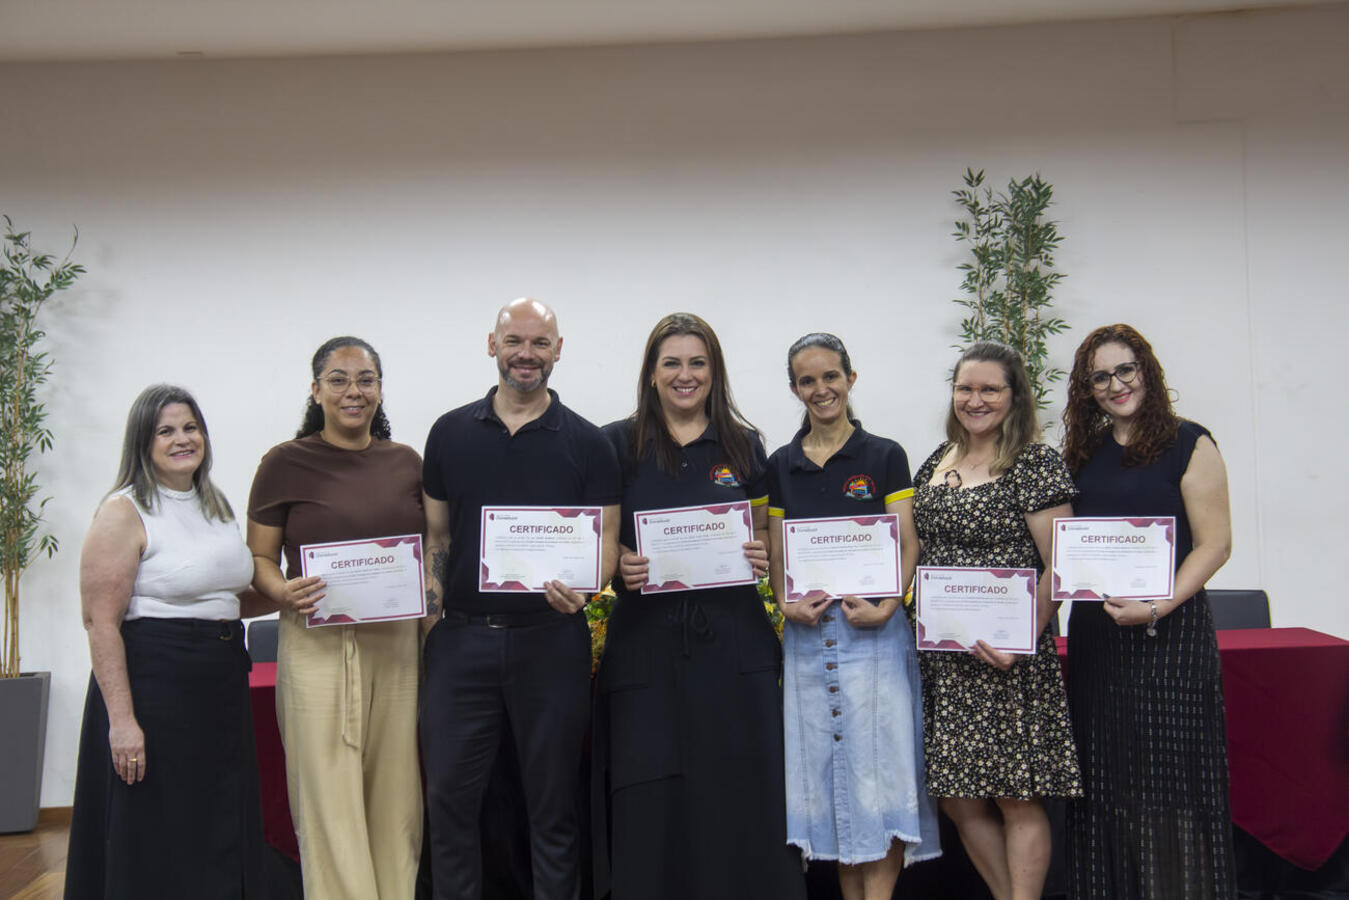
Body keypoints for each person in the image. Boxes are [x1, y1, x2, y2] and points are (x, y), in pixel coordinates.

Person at [594, 313, 806, 899]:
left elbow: (763, 533)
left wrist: (759, 554)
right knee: (649, 795)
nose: (685, 375)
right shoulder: (616, 443)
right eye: (672, 363)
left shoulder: (745, 444)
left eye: (697, 363)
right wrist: (619, 563)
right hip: (646, 648)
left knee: (740, 793)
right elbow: (603, 541)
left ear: (714, 372)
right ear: (652, 373)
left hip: (734, 647)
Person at [420, 297, 621, 900]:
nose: (526, 354)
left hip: (550, 640)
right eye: (515, 341)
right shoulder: (449, 432)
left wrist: (584, 588)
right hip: (462, 643)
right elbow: (438, 537)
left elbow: (606, 542)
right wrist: (434, 626)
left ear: (557, 350)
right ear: (492, 345)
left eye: (539, 343)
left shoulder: (589, 443)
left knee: (553, 807)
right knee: (449, 803)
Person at [65, 384, 269, 899]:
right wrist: (123, 722)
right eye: (167, 431)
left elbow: (223, 597)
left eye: (190, 427)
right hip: (155, 685)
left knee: (214, 814)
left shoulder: (214, 503)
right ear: (143, 442)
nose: (183, 440)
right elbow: (101, 622)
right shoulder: (123, 511)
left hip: (220, 679)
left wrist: (293, 596)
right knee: (158, 820)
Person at [1060, 324, 1235, 899]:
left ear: (1147, 371)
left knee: (1169, 789)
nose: (1115, 385)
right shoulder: (1083, 454)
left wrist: (1157, 607)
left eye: (1125, 371)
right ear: (1088, 389)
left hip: (1169, 636)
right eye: (1101, 377)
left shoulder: (1191, 443)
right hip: (1098, 637)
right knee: (1107, 785)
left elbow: (1215, 544)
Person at [246, 336, 424, 899]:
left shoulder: (406, 463)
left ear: (379, 389)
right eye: (340, 379)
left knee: (397, 792)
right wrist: (283, 592)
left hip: (396, 645)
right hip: (317, 642)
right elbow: (258, 560)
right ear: (316, 389)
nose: (354, 391)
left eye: (366, 379)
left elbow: (432, 552)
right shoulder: (284, 462)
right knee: (327, 792)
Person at [765, 333, 941, 900]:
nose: (821, 389)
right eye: (808, 381)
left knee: (880, 778)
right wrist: (785, 602)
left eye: (831, 376)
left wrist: (891, 603)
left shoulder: (884, 455)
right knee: (828, 779)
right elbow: (776, 555)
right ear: (795, 389)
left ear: (851, 378)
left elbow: (907, 543)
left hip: (875, 636)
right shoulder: (780, 465)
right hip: (810, 641)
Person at [911, 341, 1082, 900]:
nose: (975, 400)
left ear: (1014, 397)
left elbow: (1062, 563)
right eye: (965, 388)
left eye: (990, 389)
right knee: (957, 798)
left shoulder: (1034, 463)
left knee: (1016, 797)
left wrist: (1021, 639)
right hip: (947, 659)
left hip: (1009, 658)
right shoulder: (937, 460)